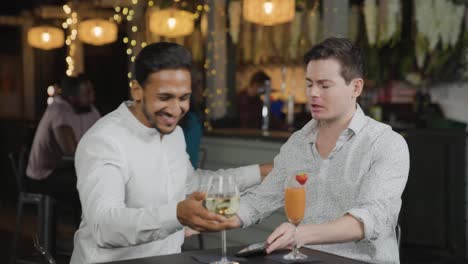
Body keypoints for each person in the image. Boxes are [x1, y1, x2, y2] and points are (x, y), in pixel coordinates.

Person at [70, 42, 272, 263]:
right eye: (165, 97)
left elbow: (190, 184)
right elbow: (105, 226)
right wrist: (177, 214)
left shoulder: (173, 133)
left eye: (183, 98)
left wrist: (261, 172)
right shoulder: (105, 140)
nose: (176, 110)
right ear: (137, 90)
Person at [232, 37, 409, 263]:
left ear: (356, 87)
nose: (313, 93)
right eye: (309, 84)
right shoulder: (297, 142)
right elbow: (261, 200)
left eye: (324, 85)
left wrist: (300, 234)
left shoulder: (386, 143)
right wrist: (208, 219)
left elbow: (372, 216)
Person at [26, 75, 101, 214]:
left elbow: (103, 140)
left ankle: (89, 230)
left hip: (66, 170)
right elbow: (70, 149)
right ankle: (84, 231)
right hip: (43, 175)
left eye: (92, 92)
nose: (92, 98)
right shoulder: (59, 109)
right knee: (87, 186)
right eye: (87, 94)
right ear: (73, 96)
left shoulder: (91, 110)